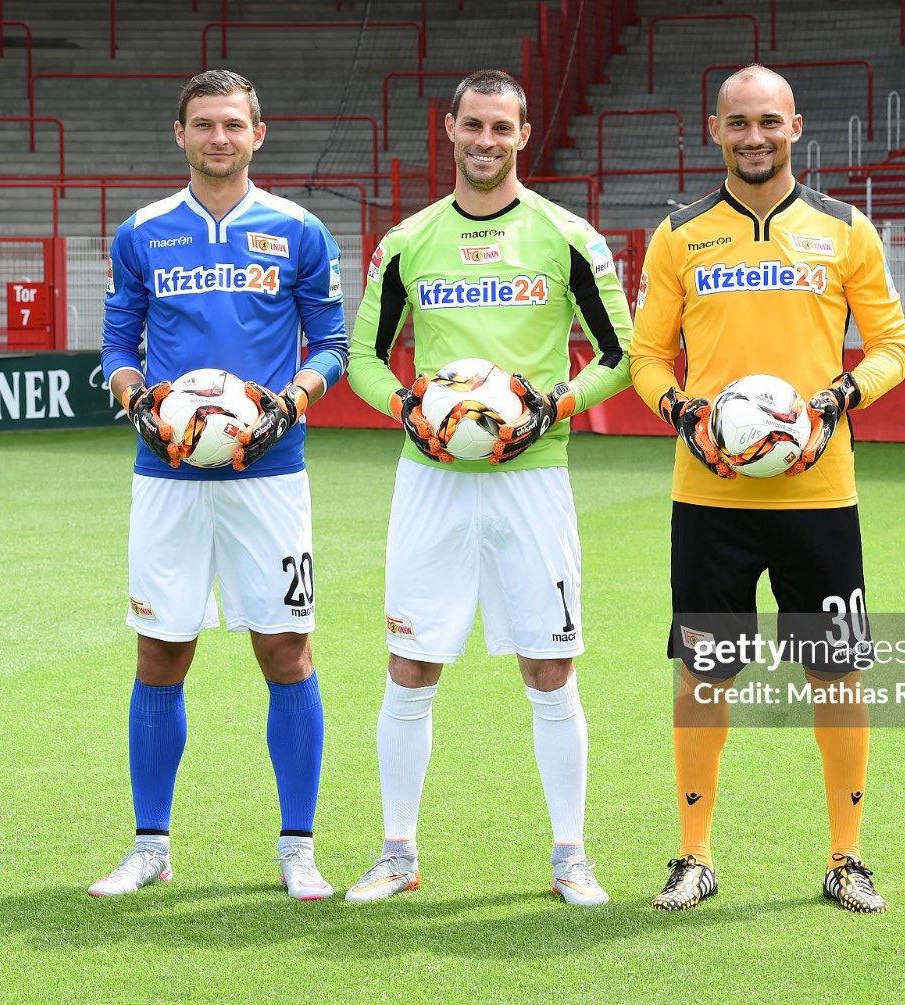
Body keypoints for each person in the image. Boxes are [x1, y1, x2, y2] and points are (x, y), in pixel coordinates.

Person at [342, 70, 633, 906]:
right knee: (410, 663)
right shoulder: (407, 242)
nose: (485, 141)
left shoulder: (566, 236)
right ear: (449, 128)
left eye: (501, 128)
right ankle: (397, 853)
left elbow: (622, 351)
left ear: (523, 134)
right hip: (431, 480)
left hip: (531, 480)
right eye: (473, 125)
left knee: (549, 666)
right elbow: (364, 357)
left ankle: (570, 854)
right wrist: (407, 407)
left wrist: (555, 405)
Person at [629, 66, 905, 912]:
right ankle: (693, 855)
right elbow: (647, 356)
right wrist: (683, 412)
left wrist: (835, 400)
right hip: (710, 498)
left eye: (769, 122)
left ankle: (846, 857)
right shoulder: (679, 235)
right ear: (714, 129)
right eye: (738, 123)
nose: (755, 137)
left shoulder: (846, 229)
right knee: (703, 678)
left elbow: (893, 348)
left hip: (819, 498)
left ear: (796, 126)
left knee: (837, 677)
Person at [92, 69, 348, 901]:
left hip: (270, 475)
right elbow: (118, 342)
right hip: (165, 476)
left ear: (257, 134)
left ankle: (297, 847)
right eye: (204, 124)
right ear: (181, 135)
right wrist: (136, 400)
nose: (219, 138)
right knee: (161, 652)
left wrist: (290, 402)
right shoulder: (141, 232)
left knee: (286, 649)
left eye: (233, 124)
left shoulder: (301, 230)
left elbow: (332, 344)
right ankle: (150, 845)